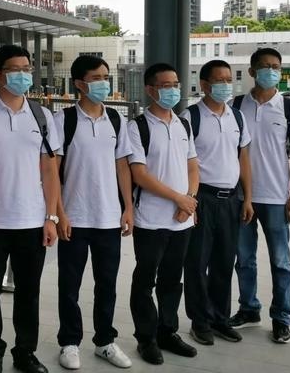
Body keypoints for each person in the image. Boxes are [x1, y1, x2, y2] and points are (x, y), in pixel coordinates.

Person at [0, 45, 61, 373]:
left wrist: (51, 217)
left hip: (31, 221)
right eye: (14, 69)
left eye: (26, 68)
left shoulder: (42, 116)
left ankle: (25, 352)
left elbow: (50, 170)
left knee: (28, 292)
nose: (22, 75)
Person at [54, 55, 134, 370]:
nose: (103, 82)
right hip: (74, 216)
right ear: (79, 84)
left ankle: (105, 341)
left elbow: (123, 166)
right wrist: (59, 213)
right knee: (69, 285)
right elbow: (53, 170)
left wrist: (128, 207)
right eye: (96, 77)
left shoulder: (116, 119)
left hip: (108, 218)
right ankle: (69, 342)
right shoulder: (64, 121)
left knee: (107, 284)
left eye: (106, 76)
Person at [229, 48, 290, 344]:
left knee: (281, 262)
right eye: (264, 66)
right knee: (244, 259)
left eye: (275, 66)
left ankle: (281, 317)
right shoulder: (236, 106)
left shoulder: (289, 109)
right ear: (251, 71)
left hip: (276, 197)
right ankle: (249, 309)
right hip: (242, 197)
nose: (270, 71)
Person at [127, 63, 199, 365]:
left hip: (182, 221)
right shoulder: (138, 127)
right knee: (146, 280)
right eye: (166, 85)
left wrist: (190, 200)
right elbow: (140, 175)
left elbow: (193, 165)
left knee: (172, 279)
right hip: (150, 219)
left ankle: (167, 331)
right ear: (151, 89)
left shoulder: (183, 124)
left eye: (176, 84)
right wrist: (178, 199)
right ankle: (146, 338)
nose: (173, 90)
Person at [180, 59, 253, 346]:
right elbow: (184, 163)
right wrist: (190, 201)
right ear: (205, 85)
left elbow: (243, 158)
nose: (225, 85)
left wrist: (247, 198)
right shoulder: (190, 117)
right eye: (219, 80)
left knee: (225, 262)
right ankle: (200, 322)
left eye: (228, 79)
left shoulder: (237, 117)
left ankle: (220, 318)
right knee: (197, 263)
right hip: (203, 199)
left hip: (231, 199)